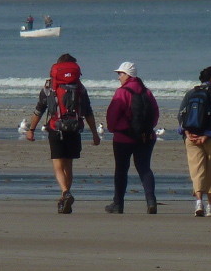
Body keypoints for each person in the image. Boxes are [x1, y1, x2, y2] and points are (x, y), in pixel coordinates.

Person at [26, 53, 100, 214]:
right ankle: (64, 196)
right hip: (74, 129)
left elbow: (39, 110)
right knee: (68, 165)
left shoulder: (49, 86)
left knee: (58, 165)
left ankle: (65, 192)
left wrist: (31, 130)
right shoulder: (80, 87)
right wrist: (95, 133)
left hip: (55, 128)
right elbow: (88, 112)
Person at [105, 61, 160, 214]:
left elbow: (113, 113)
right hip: (146, 137)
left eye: (120, 74)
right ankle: (151, 201)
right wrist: (147, 129)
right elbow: (155, 113)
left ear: (128, 75)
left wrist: (112, 128)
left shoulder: (122, 92)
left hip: (124, 138)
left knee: (121, 170)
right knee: (144, 168)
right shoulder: (146, 91)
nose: (118, 77)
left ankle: (118, 204)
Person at [178, 66, 211, 217]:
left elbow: (181, 115)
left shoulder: (191, 92)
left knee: (197, 170)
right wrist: (208, 134)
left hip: (191, 136)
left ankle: (198, 202)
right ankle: (210, 206)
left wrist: (186, 132)